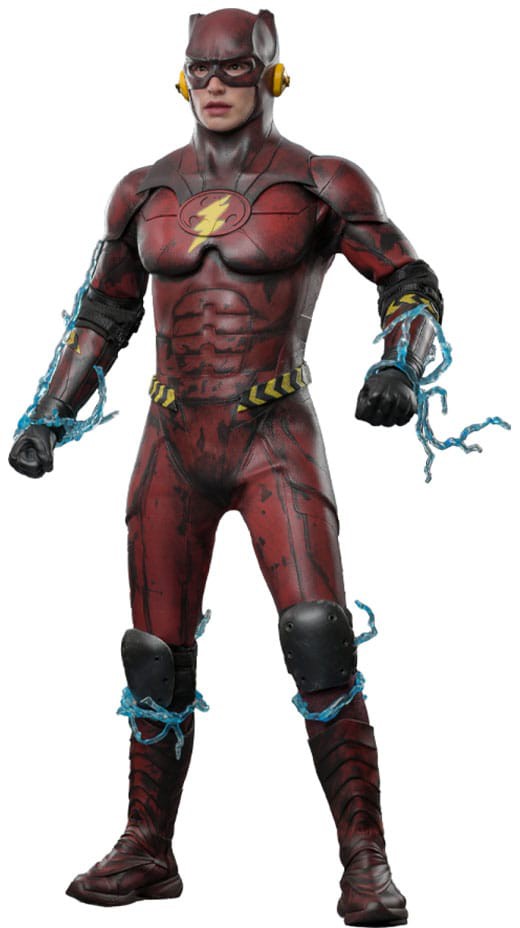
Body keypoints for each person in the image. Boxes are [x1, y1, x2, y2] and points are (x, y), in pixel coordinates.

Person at [9, 9, 443, 926]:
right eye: (201, 70)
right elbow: (104, 312)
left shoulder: (321, 181)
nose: (214, 85)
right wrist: (50, 413)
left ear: (270, 74)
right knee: (153, 655)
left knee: (318, 635)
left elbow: (408, 280)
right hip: (171, 438)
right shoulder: (144, 191)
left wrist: (398, 365)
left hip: (272, 432)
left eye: (234, 69)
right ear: (181, 76)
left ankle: (366, 859)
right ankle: (147, 845)